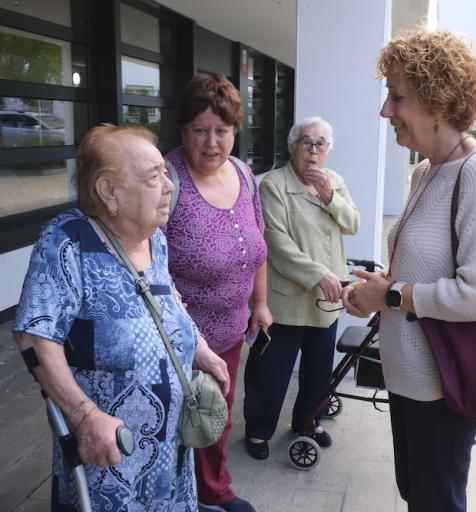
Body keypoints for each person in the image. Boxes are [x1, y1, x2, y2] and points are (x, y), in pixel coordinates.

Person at [12, 124, 229, 511]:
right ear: (108, 191)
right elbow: (34, 337)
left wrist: (202, 349)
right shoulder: (68, 242)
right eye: (152, 177)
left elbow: (167, 304)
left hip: (171, 447)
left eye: (166, 172)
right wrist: (83, 417)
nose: (169, 186)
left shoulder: (154, 239)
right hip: (110, 454)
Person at [342, 28, 476, 512]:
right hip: (407, 378)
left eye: (397, 97)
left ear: (437, 104)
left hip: (445, 389)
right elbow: (418, 269)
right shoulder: (426, 170)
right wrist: (376, 291)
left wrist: (392, 295)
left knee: (436, 502)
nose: (385, 111)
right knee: (416, 494)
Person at [163, 74, 270, 512]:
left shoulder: (244, 175)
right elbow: (140, 258)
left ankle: (208, 490)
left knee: (214, 416)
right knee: (178, 424)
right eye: (199, 130)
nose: (211, 142)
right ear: (183, 130)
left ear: (234, 130)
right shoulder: (165, 180)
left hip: (230, 329)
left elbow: (259, 245)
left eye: (221, 131)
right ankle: (193, 494)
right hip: (180, 340)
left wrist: (259, 303)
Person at [242, 116, 360, 459]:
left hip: (327, 300)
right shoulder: (274, 185)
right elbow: (275, 242)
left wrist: (329, 196)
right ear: (293, 146)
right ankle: (258, 430)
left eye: (321, 144)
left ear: (328, 150)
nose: (313, 150)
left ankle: (309, 421)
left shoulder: (334, 181)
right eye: (306, 142)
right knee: (271, 372)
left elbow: (352, 222)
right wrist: (319, 274)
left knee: (318, 369)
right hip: (288, 300)